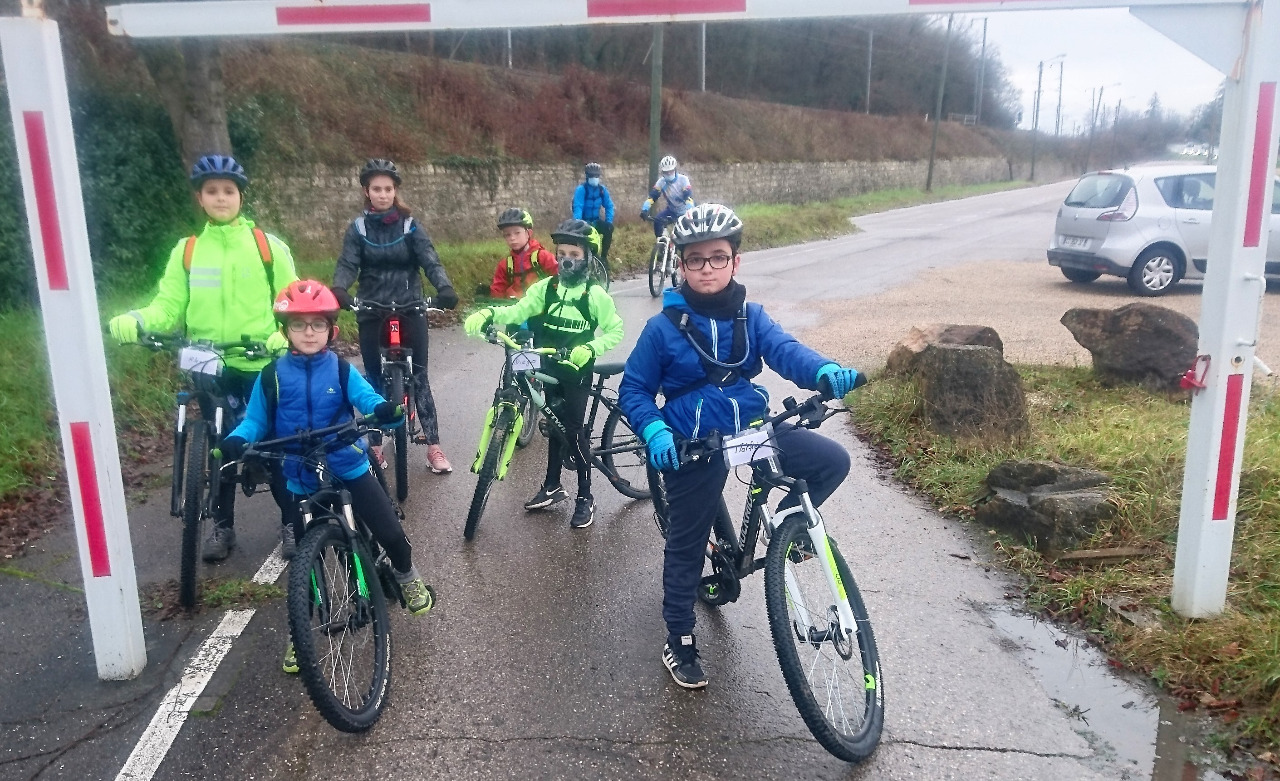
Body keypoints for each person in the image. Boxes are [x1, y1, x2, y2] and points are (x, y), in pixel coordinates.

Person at [617, 203, 864, 690]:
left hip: (752, 430)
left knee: (832, 462)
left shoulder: (752, 317)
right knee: (687, 543)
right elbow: (635, 389)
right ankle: (679, 638)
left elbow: (786, 351)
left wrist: (824, 371)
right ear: (681, 265)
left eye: (718, 257)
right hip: (693, 443)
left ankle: (787, 532)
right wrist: (655, 431)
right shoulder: (661, 329)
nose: (706, 268)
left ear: (735, 261)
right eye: (695, 259)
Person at [218, 280, 435, 672]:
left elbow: (367, 399)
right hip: (299, 476)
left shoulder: (340, 369)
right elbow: (254, 421)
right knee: (305, 560)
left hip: (348, 466)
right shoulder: (271, 376)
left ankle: (406, 576)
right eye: (299, 325)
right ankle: (301, 632)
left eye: (317, 324)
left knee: (390, 533)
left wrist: (383, 409)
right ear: (285, 330)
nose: (309, 332)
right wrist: (237, 439)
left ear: (331, 330)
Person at [107, 154, 299, 563]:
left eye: (228, 191)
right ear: (200, 198)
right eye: (212, 191)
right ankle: (222, 526)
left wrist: (282, 335)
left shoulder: (266, 246)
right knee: (219, 444)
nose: (221, 198)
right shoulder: (188, 251)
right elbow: (167, 306)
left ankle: (291, 522)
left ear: (241, 196)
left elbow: (293, 301)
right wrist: (137, 320)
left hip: (259, 361)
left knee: (274, 441)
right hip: (207, 362)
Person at [463, 219, 624, 529]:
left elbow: (616, 330)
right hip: (549, 365)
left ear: (588, 258)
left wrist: (591, 347)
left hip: (576, 370)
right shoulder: (545, 288)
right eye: (561, 253)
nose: (566, 260)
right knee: (553, 423)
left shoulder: (594, 295)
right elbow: (517, 311)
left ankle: (585, 496)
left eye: (574, 255)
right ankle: (552, 486)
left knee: (573, 431)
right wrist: (489, 313)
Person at [332, 159, 459, 475]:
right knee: (373, 378)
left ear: (395, 191)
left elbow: (430, 260)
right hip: (371, 307)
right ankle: (375, 445)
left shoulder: (410, 225)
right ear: (367, 191)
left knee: (420, 376)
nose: (383, 194)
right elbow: (348, 264)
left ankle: (433, 447)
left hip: (410, 305)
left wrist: (444, 287)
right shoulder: (358, 228)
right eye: (377, 189)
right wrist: (340, 289)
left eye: (388, 189)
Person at [487, 207, 558, 299]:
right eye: (507, 234)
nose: (512, 238)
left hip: (542, 304)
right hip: (515, 305)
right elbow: (497, 292)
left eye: (517, 233)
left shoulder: (543, 257)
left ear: (528, 233)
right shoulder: (505, 265)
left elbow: (560, 279)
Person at [571, 163, 615, 267]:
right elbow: (578, 207)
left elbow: (609, 206)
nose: (594, 178)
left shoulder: (602, 190)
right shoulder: (581, 189)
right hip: (583, 222)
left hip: (595, 221)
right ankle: (582, 260)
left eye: (596, 176)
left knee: (609, 229)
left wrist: (609, 221)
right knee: (584, 242)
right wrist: (578, 223)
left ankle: (604, 258)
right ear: (587, 177)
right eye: (592, 176)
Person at [640, 155, 694, 238]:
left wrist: (690, 211)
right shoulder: (661, 182)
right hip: (672, 211)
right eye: (666, 172)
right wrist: (645, 209)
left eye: (671, 171)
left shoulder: (683, 179)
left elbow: (688, 197)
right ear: (662, 172)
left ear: (675, 169)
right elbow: (652, 197)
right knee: (658, 221)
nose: (669, 173)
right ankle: (661, 242)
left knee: (687, 235)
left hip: (686, 211)